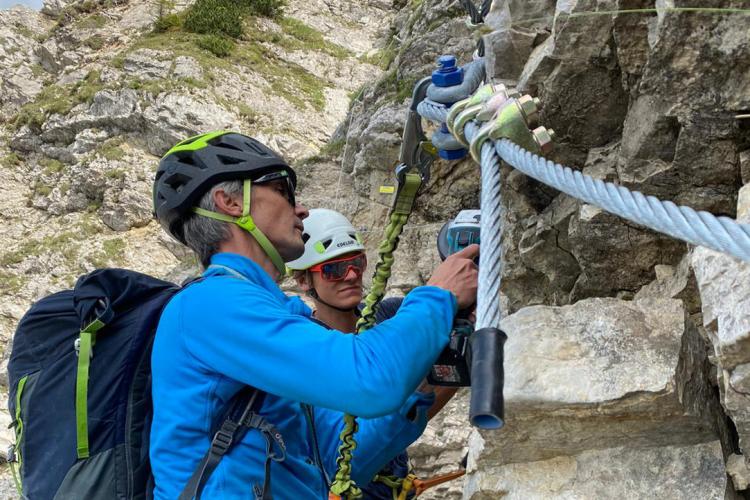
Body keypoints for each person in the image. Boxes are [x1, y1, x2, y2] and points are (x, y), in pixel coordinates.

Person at [150, 130, 479, 499]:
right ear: (230, 202)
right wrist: (438, 296)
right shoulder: (211, 304)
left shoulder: (270, 312)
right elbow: (368, 379)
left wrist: (431, 376)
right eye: (284, 190)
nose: (302, 209)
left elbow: (343, 459)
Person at [288, 208, 461, 499]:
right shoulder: (304, 349)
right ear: (304, 281)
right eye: (334, 269)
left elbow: (438, 384)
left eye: (357, 263)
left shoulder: (391, 316)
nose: (351, 275)